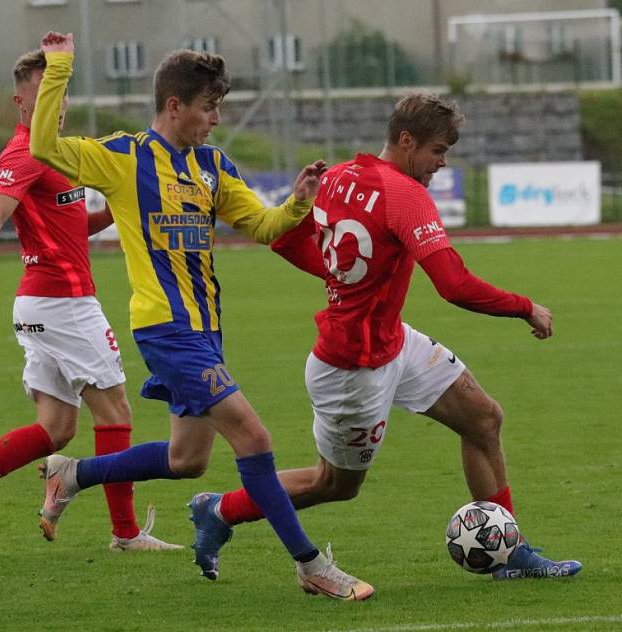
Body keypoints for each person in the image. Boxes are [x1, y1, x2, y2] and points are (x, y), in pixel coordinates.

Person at [28, 31, 373, 602]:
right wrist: (59, 65)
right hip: (166, 329)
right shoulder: (124, 157)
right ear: (174, 106)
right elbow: (45, 144)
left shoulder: (212, 165)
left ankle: (73, 475)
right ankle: (311, 564)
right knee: (254, 437)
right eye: (208, 108)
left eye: (218, 108)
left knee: (187, 460)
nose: (215, 119)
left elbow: (261, 227)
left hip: (206, 331)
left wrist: (299, 201)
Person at [192, 92, 583, 583]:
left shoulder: (334, 177)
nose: (441, 164)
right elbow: (454, 285)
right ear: (405, 140)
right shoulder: (405, 195)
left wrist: (343, 277)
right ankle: (220, 510)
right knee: (333, 484)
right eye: (437, 151)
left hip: (393, 342)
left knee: (483, 418)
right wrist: (525, 307)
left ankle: (508, 551)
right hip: (351, 368)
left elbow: (286, 239)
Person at [0, 48, 181, 556]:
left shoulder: (57, 155)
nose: (56, 104)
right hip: (62, 304)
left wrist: (115, 209)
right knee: (115, 412)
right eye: (45, 94)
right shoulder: (22, 155)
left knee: (57, 428)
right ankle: (126, 533)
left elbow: (71, 228)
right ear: (21, 100)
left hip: (44, 308)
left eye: (61, 94)